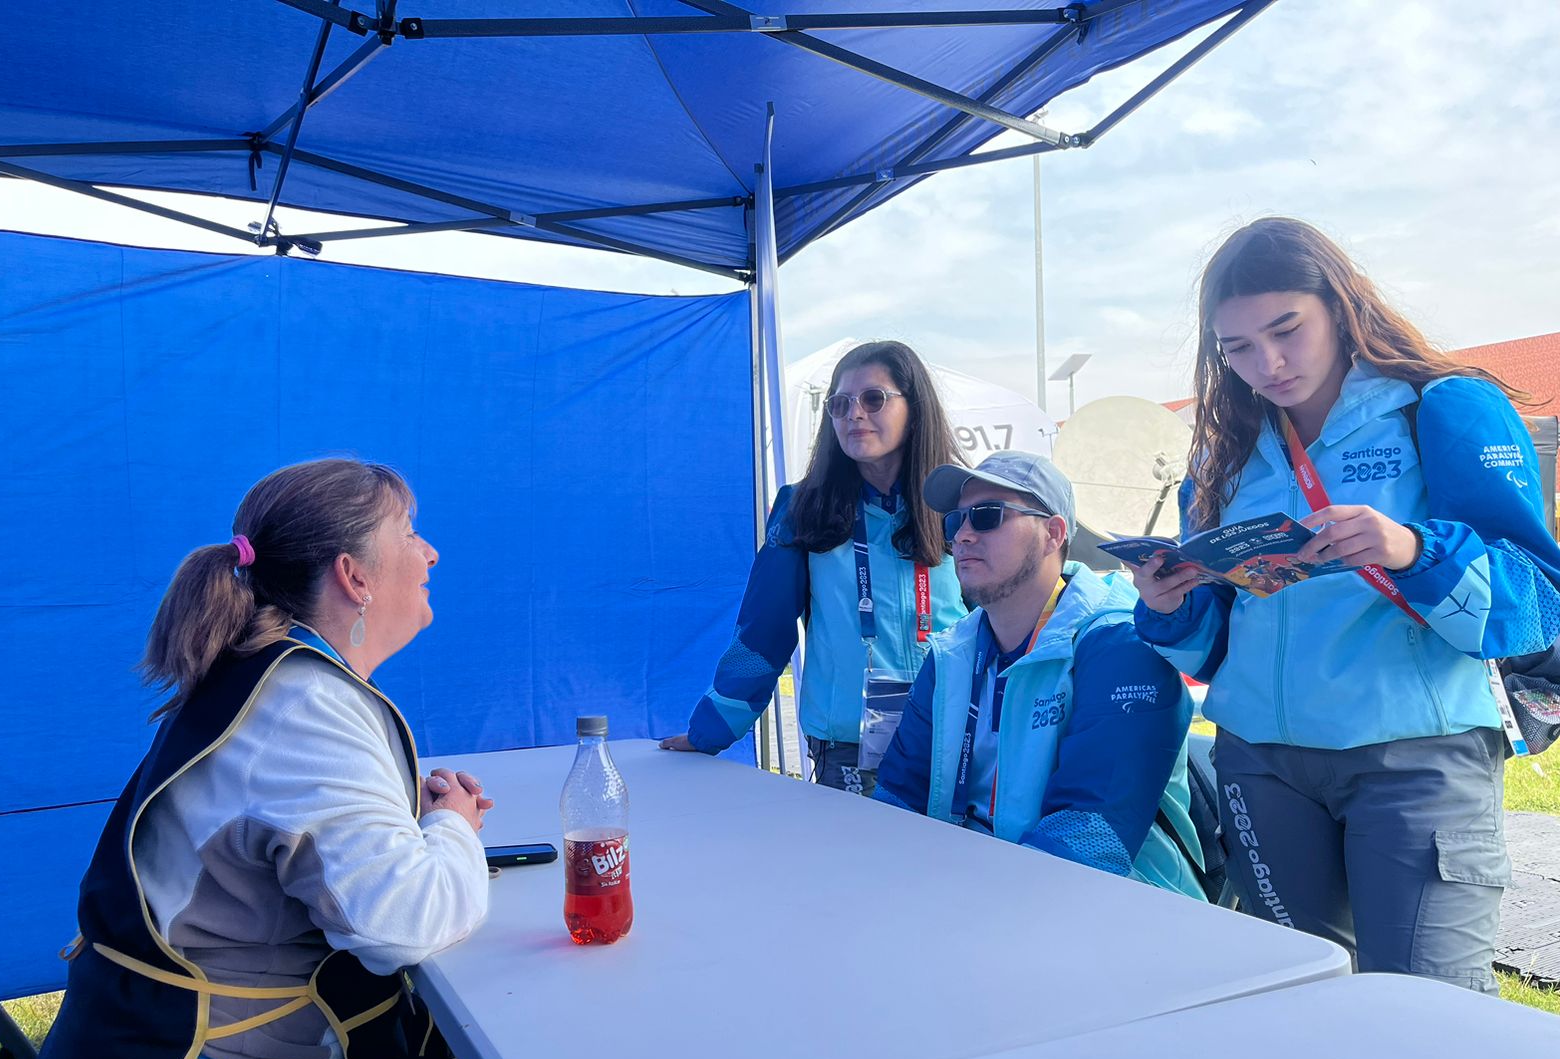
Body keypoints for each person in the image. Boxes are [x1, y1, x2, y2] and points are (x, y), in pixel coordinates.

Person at [8, 460, 535, 1059]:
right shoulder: (303, 704)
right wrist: (451, 828)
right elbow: (402, 924)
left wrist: (398, 818)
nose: (430, 552)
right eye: (409, 533)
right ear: (354, 575)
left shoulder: (267, 675)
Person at [1132, 216, 1560, 992]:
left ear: (1339, 304)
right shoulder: (1221, 454)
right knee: (1301, 997)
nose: (1268, 364)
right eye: (1238, 348)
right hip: (1260, 760)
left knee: (1429, 1009)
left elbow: (1537, 598)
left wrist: (1412, 549)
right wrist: (1171, 608)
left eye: (1286, 329)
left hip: (1416, 755)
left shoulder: (1443, 408)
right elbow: (1220, 645)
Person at [873, 451, 1207, 898]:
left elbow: (1089, 838)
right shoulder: (951, 653)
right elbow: (897, 797)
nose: (963, 536)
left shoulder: (1120, 645)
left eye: (987, 516)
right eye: (955, 522)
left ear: (1053, 534)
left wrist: (964, 901)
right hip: (975, 891)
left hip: (1118, 909)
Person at [661, 341, 968, 794]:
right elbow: (763, 630)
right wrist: (711, 730)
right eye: (840, 404)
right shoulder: (803, 508)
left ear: (915, 408)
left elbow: (1001, 625)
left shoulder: (961, 504)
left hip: (952, 734)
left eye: (873, 399)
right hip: (848, 744)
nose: (854, 414)